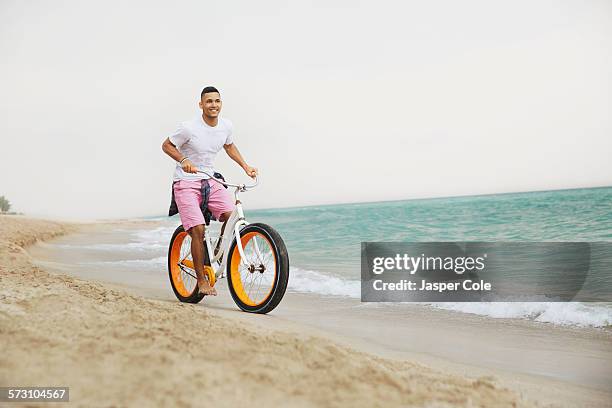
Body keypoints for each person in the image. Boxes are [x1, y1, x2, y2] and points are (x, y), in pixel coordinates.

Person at [162, 86, 258, 296]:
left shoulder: (226, 126)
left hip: (210, 178)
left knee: (231, 216)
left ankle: (216, 251)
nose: (213, 105)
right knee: (197, 229)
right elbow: (167, 145)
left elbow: (229, 147)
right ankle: (202, 280)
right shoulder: (188, 127)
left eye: (217, 101)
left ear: (221, 103)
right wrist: (184, 160)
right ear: (201, 105)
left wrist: (246, 166)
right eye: (209, 101)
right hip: (186, 181)